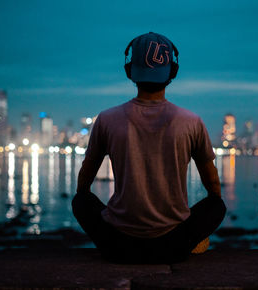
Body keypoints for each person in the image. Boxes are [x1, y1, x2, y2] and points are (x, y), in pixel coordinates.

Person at [72, 32, 226, 264]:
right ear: (172, 72)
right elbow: (213, 186)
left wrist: (85, 193)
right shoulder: (191, 121)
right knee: (217, 206)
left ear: (129, 71)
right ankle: (182, 245)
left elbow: (85, 179)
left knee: (80, 201)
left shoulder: (106, 119)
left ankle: (117, 248)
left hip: (118, 245)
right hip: (173, 245)